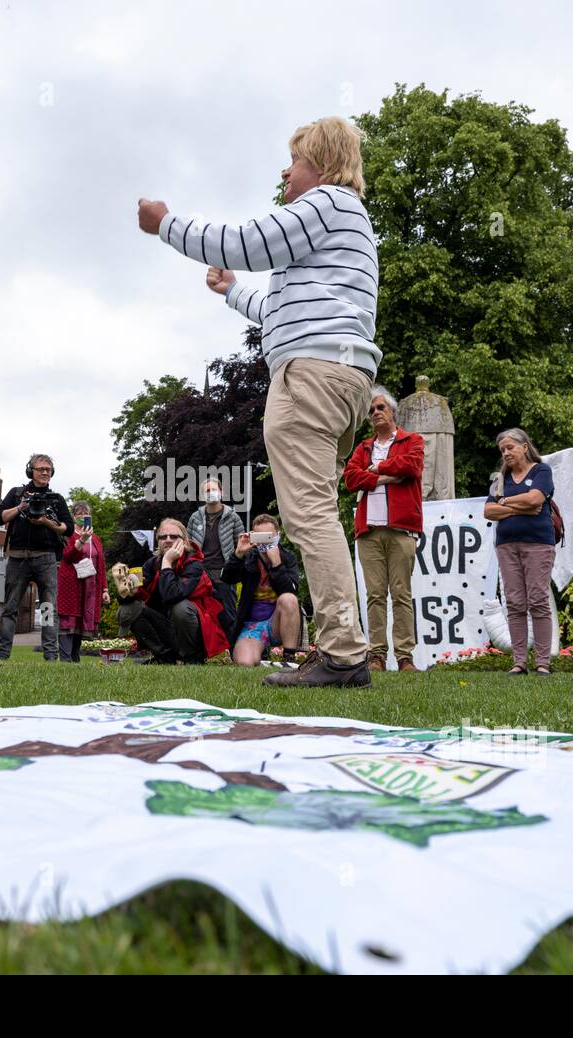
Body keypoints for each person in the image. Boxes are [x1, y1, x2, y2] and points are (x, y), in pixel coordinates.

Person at [139, 116, 378, 688]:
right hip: (340, 376)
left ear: (319, 161)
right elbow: (282, 311)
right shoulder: (344, 226)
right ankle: (344, 646)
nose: (284, 171)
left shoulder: (327, 203)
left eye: (293, 159)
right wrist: (232, 293)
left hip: (310, 378)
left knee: (309, 515)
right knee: (317, 511)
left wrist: (166, 224)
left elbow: (248, 242)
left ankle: (344, 653)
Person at [344, 386, 425, 672]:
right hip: (368, 531)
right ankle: (376, 656)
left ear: (392, 411)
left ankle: (405, 658)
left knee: (401, 593)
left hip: (402, 529)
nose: (376, 412)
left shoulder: (411, 440)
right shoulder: (363, 447)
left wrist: (374, 470)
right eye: (371, 410)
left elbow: (411, 466)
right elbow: (351, 479)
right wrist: (386, 477)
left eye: (381, 407)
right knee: (375, 595)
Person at [484, 429, 556, 676]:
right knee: (514, 603)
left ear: (525, 447)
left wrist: (503, 502)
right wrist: (517, 508)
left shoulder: (541, 471)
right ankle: (519, 663)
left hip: (538, 543)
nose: (506, 453)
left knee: (537, 600)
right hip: (506, 545)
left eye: (510, 447)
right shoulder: (498, 478)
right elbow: (488, 511)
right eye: (502, 450)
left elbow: (536, 499)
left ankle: (543, 663)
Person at [0, 453, 74, 661]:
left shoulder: (56, 499)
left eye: (48, 469)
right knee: (11, 606)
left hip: (46, 558)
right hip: (18, 557)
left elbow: (69, 529)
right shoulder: (17, 493)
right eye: (41, 469)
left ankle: (50, 655)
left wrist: (47, 522)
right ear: (31, 471)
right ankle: (2, 654)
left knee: (48, 607)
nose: (45, 472)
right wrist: (20, 507)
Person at [117, 517, 230, 665]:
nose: (168, 540)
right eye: (163, 537)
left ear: (184, 540)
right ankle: (165, 656)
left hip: (195, 632)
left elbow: (172, 595)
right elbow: (130, 599)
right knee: (129, 609)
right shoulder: (152, 564)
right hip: (167, 627)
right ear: (158, 541)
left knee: (180, 607)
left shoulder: (194, 564)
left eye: (174, 536)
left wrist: (167, 563)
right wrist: (125, 590)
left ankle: (193, 658)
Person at [221, 514, 302, 666]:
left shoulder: (287, 557)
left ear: (278, 536)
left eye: (269, 536)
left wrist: (276, 564)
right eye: (260, 536)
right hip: (253, 625)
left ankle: (289, 658)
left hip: (278, 621)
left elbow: (291, 591)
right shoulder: (249, 557)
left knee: (289, 599)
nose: (264, 541)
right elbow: (227, 578)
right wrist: (238, 554)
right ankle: (259, 652)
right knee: (245, 663)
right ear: (253, 537)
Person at [56, 501, 109, 662]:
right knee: (69, 619)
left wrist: (105, 590)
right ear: (73, 517)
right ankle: (65, 658)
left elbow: (101, 564)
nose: (82, 517)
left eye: (86, 514)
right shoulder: (68, 535)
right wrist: (82, 540)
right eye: (79, 514)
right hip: (71, 584)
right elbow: (68, 556)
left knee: (81, 620)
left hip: (90, 586)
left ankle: (75, 656)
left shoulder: (97, 539)